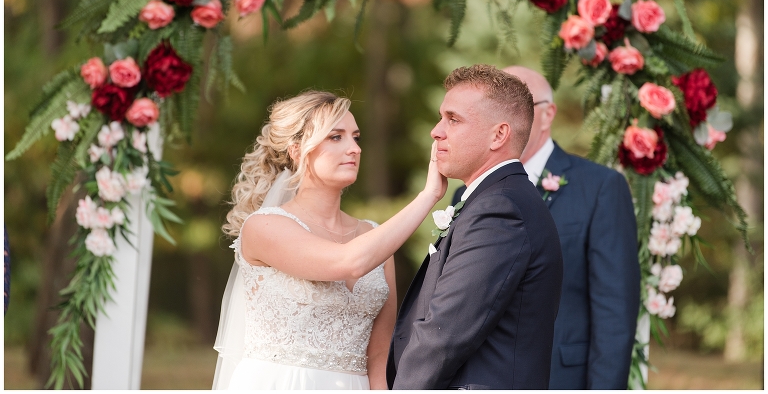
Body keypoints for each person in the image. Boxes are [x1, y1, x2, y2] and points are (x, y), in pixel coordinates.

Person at [212, 90, 446, 390]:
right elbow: (349, 262)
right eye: (336, 137)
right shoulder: (265, 226)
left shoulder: (373, 238)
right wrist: (428, 197)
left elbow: (378, 355)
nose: (354, 148)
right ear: (296, 149)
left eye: (356, 137)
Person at [452, 65, 641, 389]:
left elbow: (615, 313)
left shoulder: (600, 187)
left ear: (548, 113)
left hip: (562, 378)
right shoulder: (465, 194)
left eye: (521, 105)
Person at [387, 64, 564, 390]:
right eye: (441, 118)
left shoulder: (501, 210)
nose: (436, 131)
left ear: (499, 134)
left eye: (453, 119)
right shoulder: (496, 199)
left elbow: (443, 334)